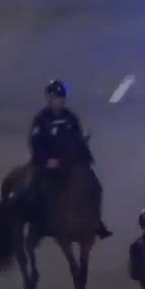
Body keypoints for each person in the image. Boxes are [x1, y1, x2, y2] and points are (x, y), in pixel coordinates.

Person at [26, 79, 112, 244]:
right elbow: (35, 143)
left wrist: (83, 143)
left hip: (69, 162)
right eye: (57, 97)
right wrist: (46, 161)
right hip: (48, 165)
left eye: (62, 97)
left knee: (93, 185)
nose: (61, 101)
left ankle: (95, 221)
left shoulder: (70, 117)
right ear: (49, 98)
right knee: (38, 189)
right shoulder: (42, 119)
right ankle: (37, 227)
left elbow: (76, 139)